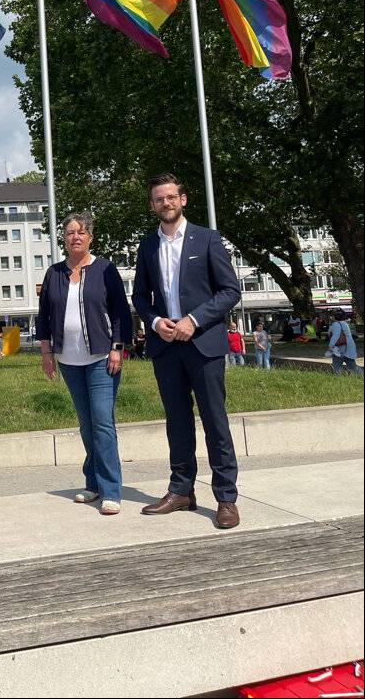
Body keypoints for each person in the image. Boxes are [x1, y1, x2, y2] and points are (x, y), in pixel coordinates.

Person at [132, 173, 242, 530]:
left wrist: (194, 319)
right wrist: (153, 322)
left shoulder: (207, 239)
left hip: (203, 343)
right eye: (159, 199)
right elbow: (139, 298)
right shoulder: (147, 247)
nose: (165, 203)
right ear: (153, 206)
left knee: (215, 421)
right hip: (166, 348)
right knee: (177, 422)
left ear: (183, 199)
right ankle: (181, 490)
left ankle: (226, 497)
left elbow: (229, 291)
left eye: (171, 197)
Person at [37, 212, 132, 516]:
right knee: (86, 424)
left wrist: (118, 348)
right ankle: (92, 483)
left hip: (102, 357)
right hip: (68, 359)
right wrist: (46, 352)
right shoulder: (54, 273)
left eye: (81, 232)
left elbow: (120, 312)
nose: (75, 237)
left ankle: (111, 489)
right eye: (69, 232)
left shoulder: (104, 269)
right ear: (63, 239)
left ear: (90, 237)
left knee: (103, 422)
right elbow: (44, 317)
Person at [326, 309, 363, 376]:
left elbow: (336, 336)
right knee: (352, 366)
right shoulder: (345, 324)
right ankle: (362, 375)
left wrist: (330, 346)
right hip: (349, 347)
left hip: (340, 349)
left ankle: (338, 378)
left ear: (334, 317)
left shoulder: (336, 324)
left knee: (337, 365)